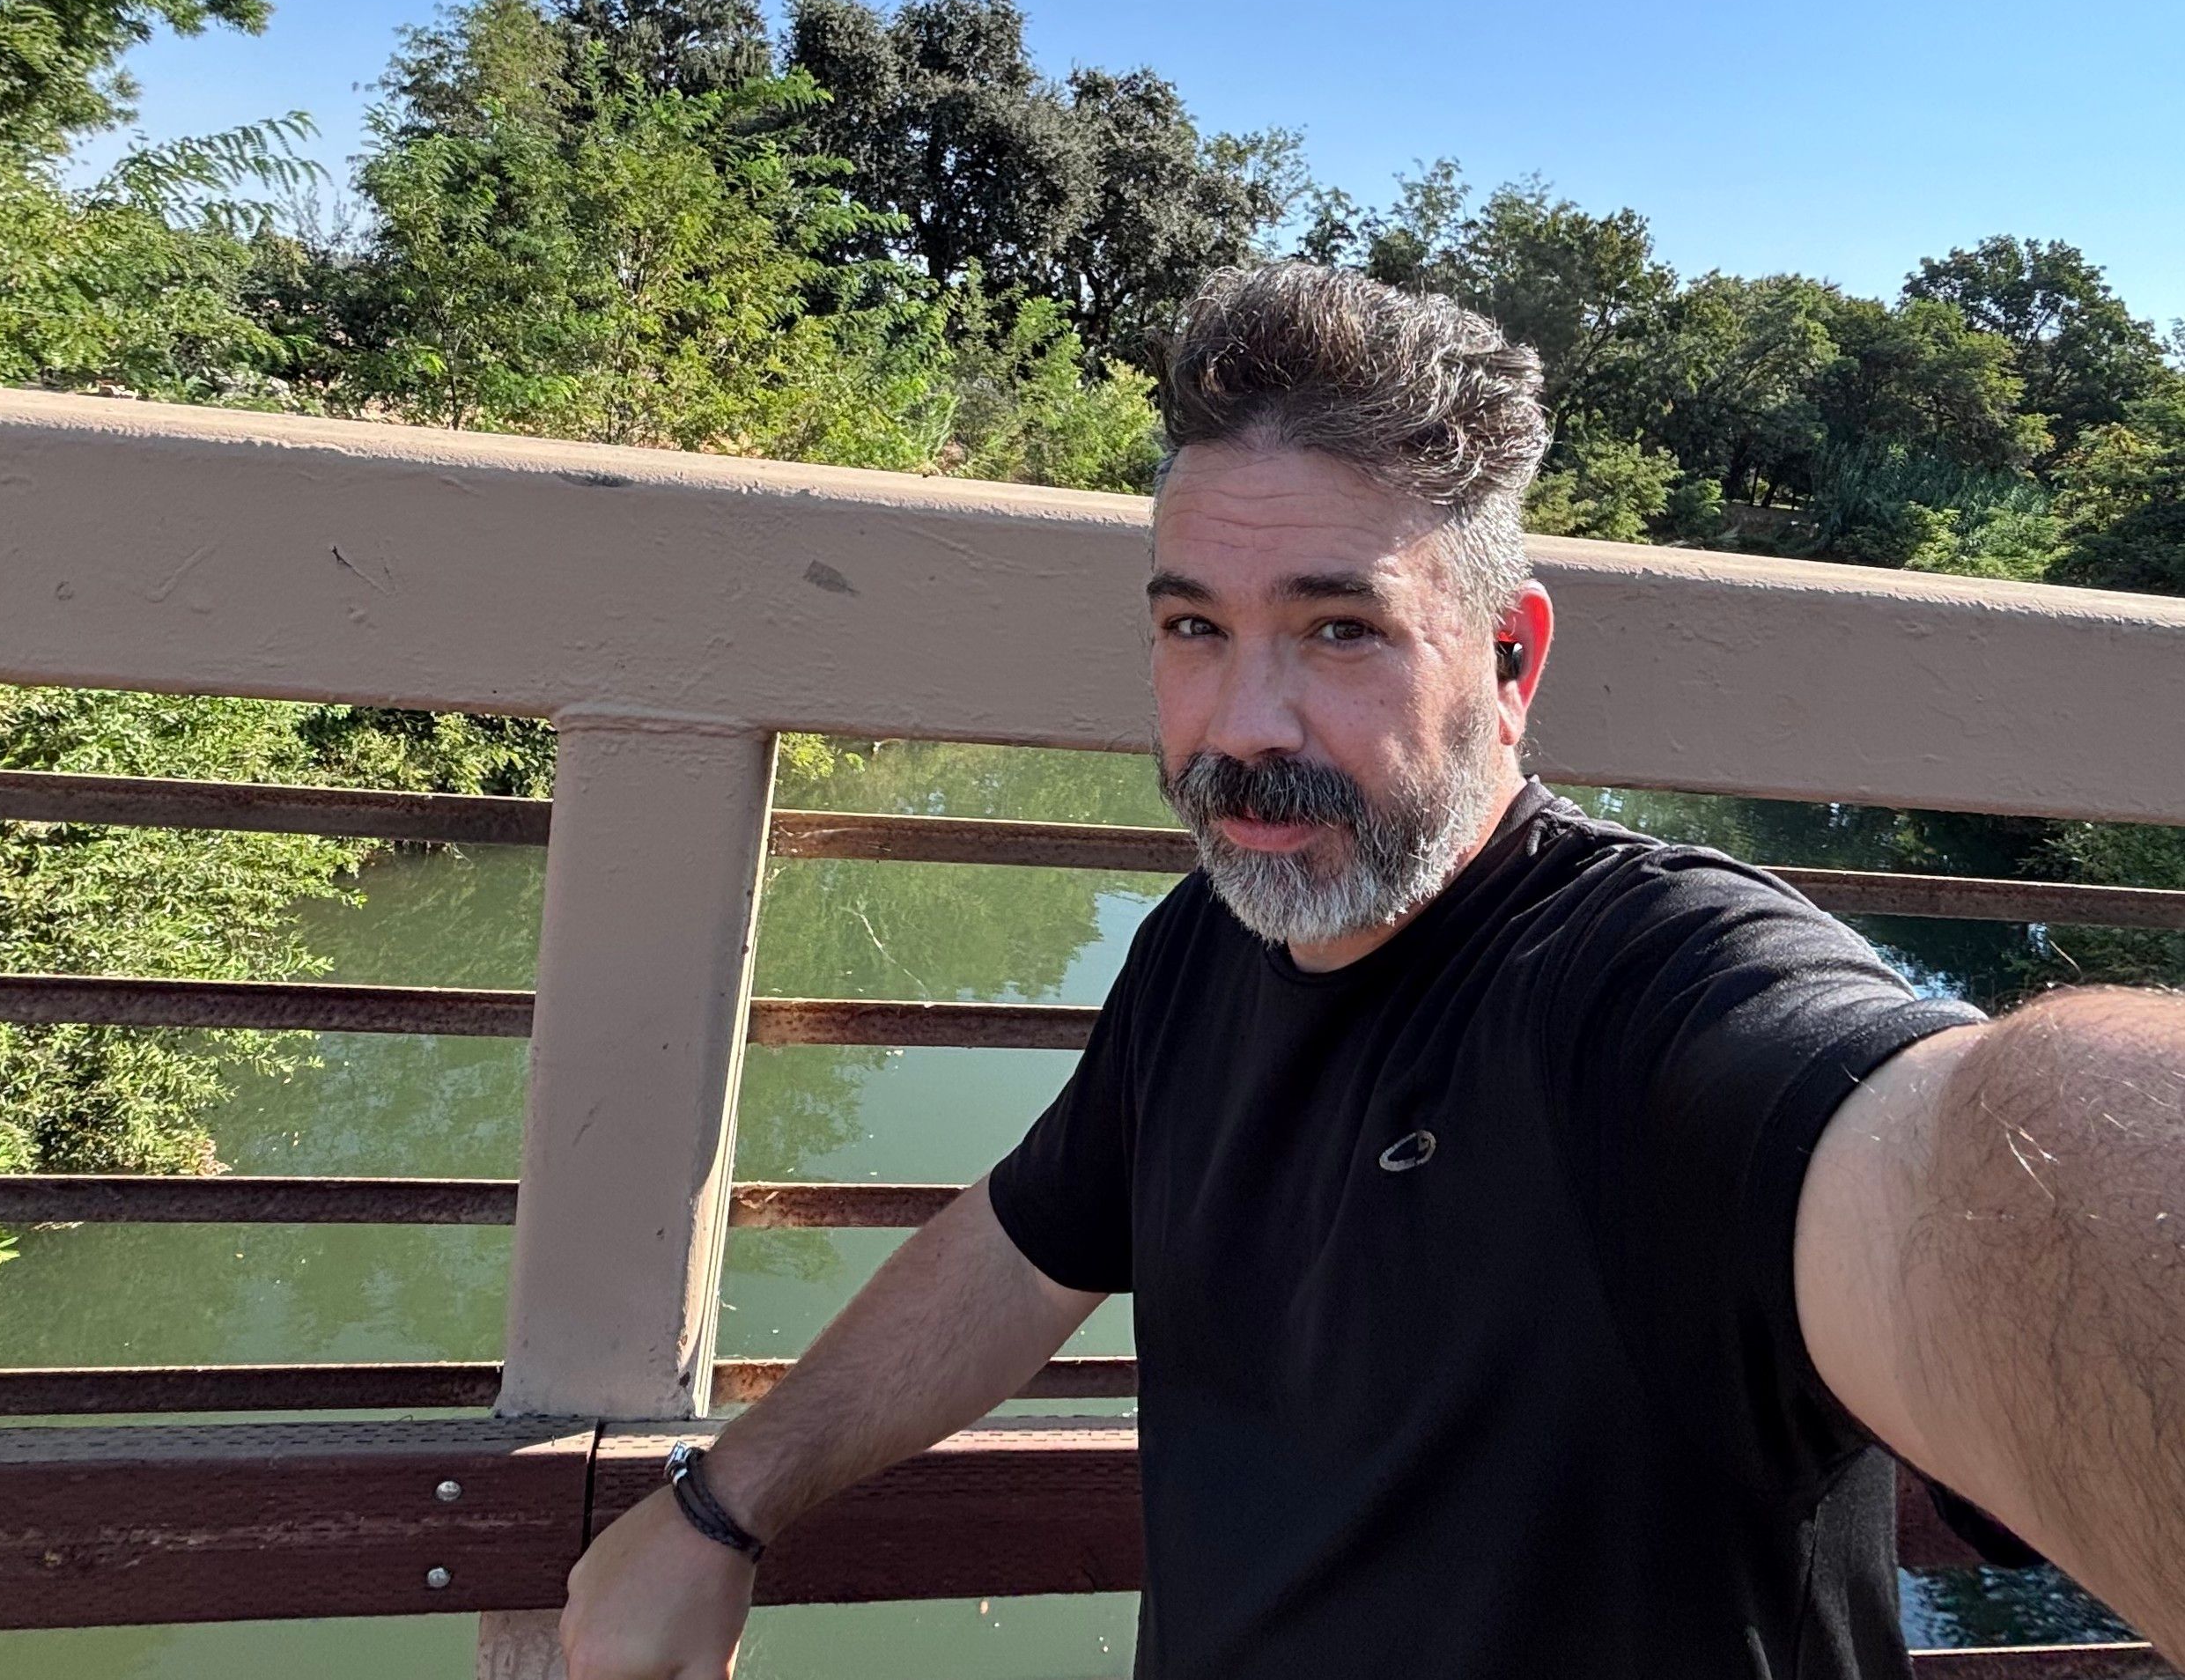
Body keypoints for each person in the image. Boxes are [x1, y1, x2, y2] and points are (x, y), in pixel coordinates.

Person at [560, 262, 2185, 1679]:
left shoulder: (1648, 991)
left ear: (1508, 659)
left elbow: (1956, 1165)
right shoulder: (1206, 945)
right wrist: (726, 1499)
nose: (1242, 724)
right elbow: (1018, 1245)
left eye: (1339, 629)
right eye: (1193, 627)